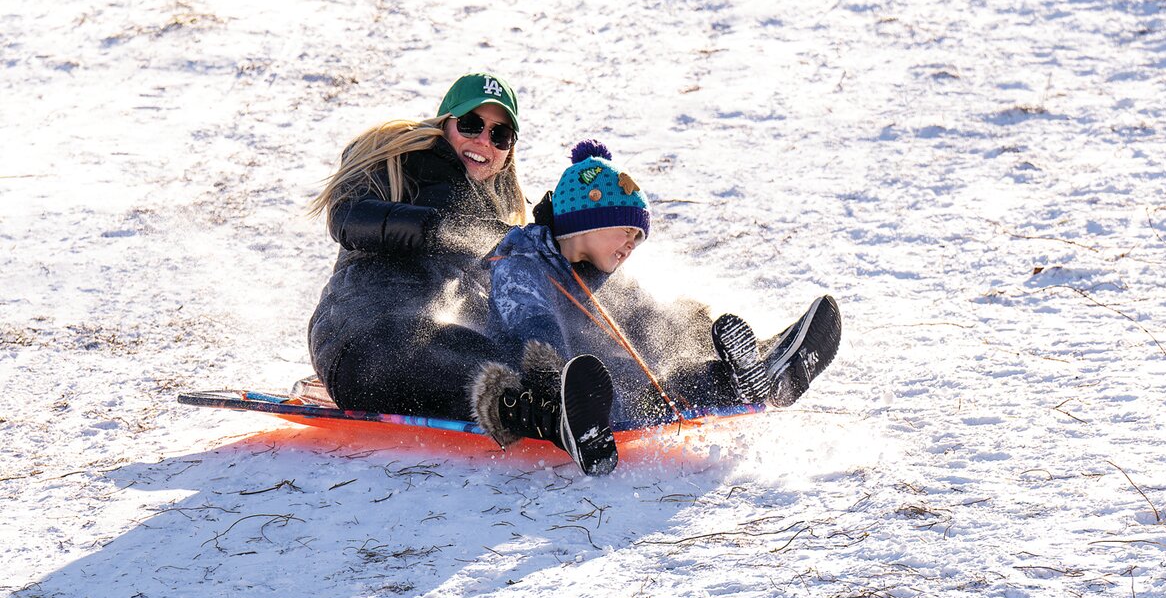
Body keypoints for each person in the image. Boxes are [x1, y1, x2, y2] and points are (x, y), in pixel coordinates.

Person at [482, 140, 842, 475]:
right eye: (625, 229)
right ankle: (583, 425)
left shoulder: (603, 277)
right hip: (556, 387)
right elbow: (532, 329)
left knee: (670, 336)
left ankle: (761, 372)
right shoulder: (522, 262)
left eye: (638, 238)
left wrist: (690, 328)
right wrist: (558, 378)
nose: (631, 244)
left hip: (619, 389)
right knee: (626, 381)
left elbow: (654, 322)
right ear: (585, 221)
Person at [306, 72, 578, 457]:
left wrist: (553, 241)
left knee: (511, 353)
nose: (484, 140)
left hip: (434, 340)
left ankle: (583, 394)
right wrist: (440, 228)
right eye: (471, 124)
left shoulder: (487, 216)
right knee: (435, 350)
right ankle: (542, 414)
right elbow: (347, 217)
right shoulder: (403, 159)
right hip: (362, 334)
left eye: (500, 136)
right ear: (444, 122)